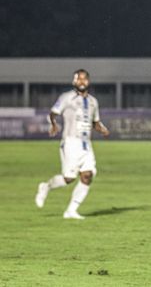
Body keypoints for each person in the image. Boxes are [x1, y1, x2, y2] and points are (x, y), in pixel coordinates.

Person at [34, 69, 110, 219]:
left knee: (87, 176)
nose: (82, 81)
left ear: (88, 81)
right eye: (78, 79)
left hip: (86, 144)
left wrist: (102, 129)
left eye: (84, 79)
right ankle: (46, 186)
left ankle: (71, 210)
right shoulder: (66, 98)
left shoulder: (94, 102)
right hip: (70, 142)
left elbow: (95, 122)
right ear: (74, 82)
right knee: (69, 179)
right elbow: (53, 112)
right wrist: (53, 123)